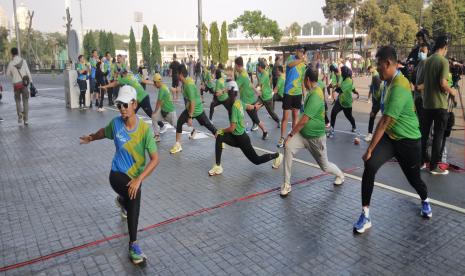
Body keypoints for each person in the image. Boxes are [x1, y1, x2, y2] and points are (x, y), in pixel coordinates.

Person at [353, 46, 432, 234]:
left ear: (388, 64)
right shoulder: (387, 82)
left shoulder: (399, 86)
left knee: (414, 180)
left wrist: (370, 148)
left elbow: (385, 121)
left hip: (409, 141)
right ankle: (365, 215)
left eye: (379, 66)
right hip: (391, 138)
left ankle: (425, 199)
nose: (376, 69)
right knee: (370, 166)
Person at [79, 85, 159, 264]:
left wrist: (139, 179)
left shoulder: (144, 130)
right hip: (116, 174)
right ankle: (133, 246)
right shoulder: (116, 124)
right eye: (119, 105)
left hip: (134, 177)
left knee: (131, 194)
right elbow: (103, 132)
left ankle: (122, 201)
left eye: (125, 105)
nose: (121, 108)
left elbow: (155, 159)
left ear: (134, 104)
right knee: (134, 193)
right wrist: (91, 137)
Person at [281, 68, 345, 196]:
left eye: (304, 79)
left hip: (316, 138)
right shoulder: (314, 88)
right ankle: (286, 184)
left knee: (325, 166)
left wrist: (290, 134)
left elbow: (304, 120)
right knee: (288, 146)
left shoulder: (316, 95)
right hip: (303, 135)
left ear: (308, 80)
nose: (302, 82)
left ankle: (340, 175)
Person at [208, 88, 283, 176]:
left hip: (242, 140)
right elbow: (248, 106)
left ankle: (277, 156)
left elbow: (232, 128)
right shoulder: (238, 102)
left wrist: (221, 130)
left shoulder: (234, 108)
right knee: (219, 136)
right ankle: (218, 166)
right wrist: (255, 107)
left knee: (256, 160)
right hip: (235, 137)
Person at [417, 36, 457, 175]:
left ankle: (421, 161)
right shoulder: (443, 62)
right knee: (438, 136)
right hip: (440, 105)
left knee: (424, 134)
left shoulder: (427, 61)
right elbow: (443, 83)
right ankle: (434, 166)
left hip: (426, 104)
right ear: (444, 47)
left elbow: (420, 85)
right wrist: (452, 91)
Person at [170, 65, 217, 154]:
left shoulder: (189, 84)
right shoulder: (185, 82)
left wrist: (190, 117)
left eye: (176, 74)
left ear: (180, 74)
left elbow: (192, 102)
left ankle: (220, 139)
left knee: (209, 126)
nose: (175, 76)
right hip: (190, 109)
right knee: (179, 122)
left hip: (196, 110)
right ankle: (178, 145)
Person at [100, 69, 159, 134]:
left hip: (142, 98)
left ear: (123, 74)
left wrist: (105, 86)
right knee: (130, 113)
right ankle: (124, 128)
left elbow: (114, 83)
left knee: (150, 114)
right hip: (139, 98)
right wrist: (154, 83)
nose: (121, 75)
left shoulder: (124, 79)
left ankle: (162, 125)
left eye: (121, 74)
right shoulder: (133, 76)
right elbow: (144, 81)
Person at [278, 46, 307, 147]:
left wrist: (304, 95)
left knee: (295, 116)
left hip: (298, 93)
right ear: (297, 51)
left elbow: (302, 81)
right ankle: (282, 137)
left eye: (303, 52)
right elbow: (290, 65)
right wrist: (301, 60)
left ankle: (292, 136)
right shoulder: (291, 58)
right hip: (288, 93)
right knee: (285, 117)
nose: (301, 53)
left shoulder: (303, 64)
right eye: (300, 51)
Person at [234, 57, 269, 140]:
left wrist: (224, 91)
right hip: (248, 99)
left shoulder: (242, 75)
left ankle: (265, 131)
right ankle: (240, 130)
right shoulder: (244, 72)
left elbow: (234, 86)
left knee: (255, 118)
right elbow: (250, 83)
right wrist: (256, 90)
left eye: (235, 66)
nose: (234, 67)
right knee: (245, 115)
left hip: (248, 101)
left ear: (237, 65)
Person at [142, 73, 177, 142]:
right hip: (164, 112)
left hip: (170, 113)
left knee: (177, 126)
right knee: (154, 117)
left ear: (157, 82)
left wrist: (155, 112)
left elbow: (158, 102)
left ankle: (192, 130)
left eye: (154, 83)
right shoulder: (164, 86)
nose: (154, 85)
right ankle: (157, 136)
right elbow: (173, 90)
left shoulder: (162, 89)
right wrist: (174, 96)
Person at [328, 66, 359, 138]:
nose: (341, 73)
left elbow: (340, 90)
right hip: (340, 100)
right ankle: (331, 130)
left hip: (347, 102)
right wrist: (355, 91)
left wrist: (333, 88)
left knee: (349, 116)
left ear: (344, 73)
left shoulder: (349, 80)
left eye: (342, 71)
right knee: (333, 113)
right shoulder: (343, 78)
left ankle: (354, 126)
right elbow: (351, 87)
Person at [6, 47, 32, 125]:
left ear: (12, 54)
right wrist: (31, 81)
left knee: (17, 101)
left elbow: (7, 74)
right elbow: (28, 72)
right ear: (18, 52)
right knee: (25, 102)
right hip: (24, 84)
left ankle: (20, 117)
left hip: (16, 85)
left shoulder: (11, 63)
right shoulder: (23, 61)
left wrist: (13, 75)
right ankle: (26, 120)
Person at [255, 61, 280, 127]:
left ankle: (278, 121)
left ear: (260, 67)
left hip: (267, 97)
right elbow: (259, 84)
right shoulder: (262, 73)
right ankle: (255, 123)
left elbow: (259, 85)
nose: (257, 69)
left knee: (271, 112)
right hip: (262, 97)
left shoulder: (265, 74)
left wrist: (253, 88)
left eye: (257, 67)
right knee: (254, 108)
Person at [365, 65, 383, 142]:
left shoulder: (376, 76)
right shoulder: (375, 75)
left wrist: (375, 107)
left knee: (373, 116)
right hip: (377, 100)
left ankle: (370, 134)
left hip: (378, 101)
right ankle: (371, 134)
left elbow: (379, 90)